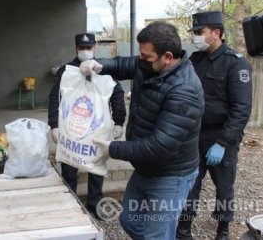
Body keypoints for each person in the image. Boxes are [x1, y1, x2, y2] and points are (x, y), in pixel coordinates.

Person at [79, 21, 204, 239]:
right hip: (146, 167)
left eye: (146, 57)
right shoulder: (149, 65)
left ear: (167, 57)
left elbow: (159, 147)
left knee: (158, 234)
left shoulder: (185, 90)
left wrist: (113, 149)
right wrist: (96, 64)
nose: (140, 60)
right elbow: (120, 64)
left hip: (170, 174)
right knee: (129, 221)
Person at [176, 11, 253, 240]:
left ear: (216, 33)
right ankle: (183, 228)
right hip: (195, 136)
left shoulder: (235, 64)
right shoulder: (194, 61)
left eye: (200, 33)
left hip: (222, 137)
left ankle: (223, 229)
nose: (196, 37)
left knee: (224, 188)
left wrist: (222, 142)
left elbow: (241, 110)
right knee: (190, 185)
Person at [48, 32, 126, 216]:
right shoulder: (66, 71)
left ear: (94, 47)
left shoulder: (102, 68)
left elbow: (117, 94)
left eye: (88, 48)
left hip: (97, 128)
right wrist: (54, 125)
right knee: (68, 168)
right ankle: (70, 206)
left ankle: (94, 205)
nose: (85, 51)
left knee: (97, 168)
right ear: (76, 48)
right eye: (82, 48)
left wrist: (119, 121)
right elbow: (55, 98)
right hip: (71, 128)